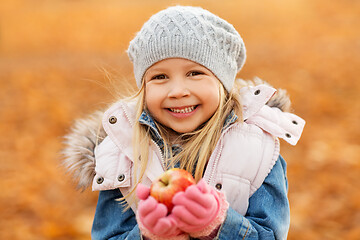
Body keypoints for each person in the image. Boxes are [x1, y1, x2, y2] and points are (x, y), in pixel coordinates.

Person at [63, 5, 305, 240]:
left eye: (195, 73)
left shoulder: (257, 149)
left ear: (222, 81)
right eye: (160, 77)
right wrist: (149, 235)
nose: (178, 91)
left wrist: (216, 224)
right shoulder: (122, 154)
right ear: (144, 87)